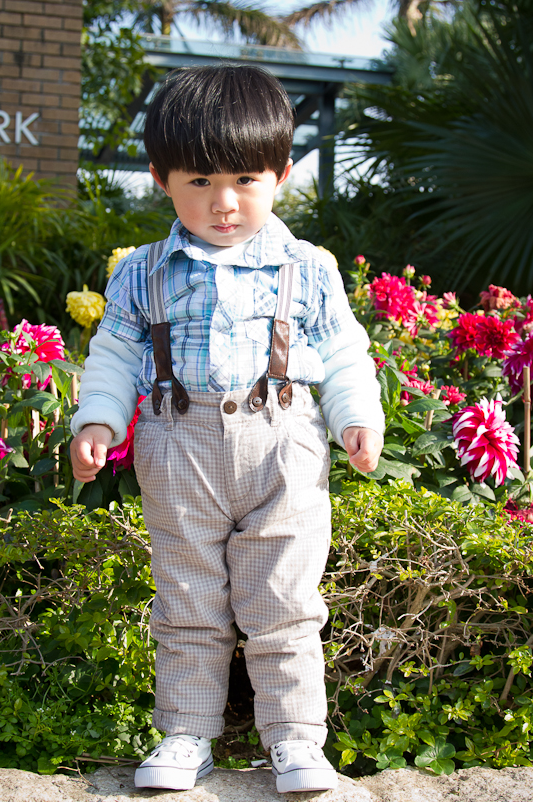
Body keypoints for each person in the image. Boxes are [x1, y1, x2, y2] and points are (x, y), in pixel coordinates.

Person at [70, 64, 384, 794]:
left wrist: (356, 417)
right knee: (188, 599)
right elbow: (114, 354)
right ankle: (187, 733)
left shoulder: (307, 269)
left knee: (285, 601)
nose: (224, 202)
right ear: (161, 179)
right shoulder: (144, 272)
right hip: (179, 447)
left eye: (245, 179)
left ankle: (295, 738)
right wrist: (99, 419)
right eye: (200, 181)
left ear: (280, 174)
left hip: (283, 450)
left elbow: (344, 354)